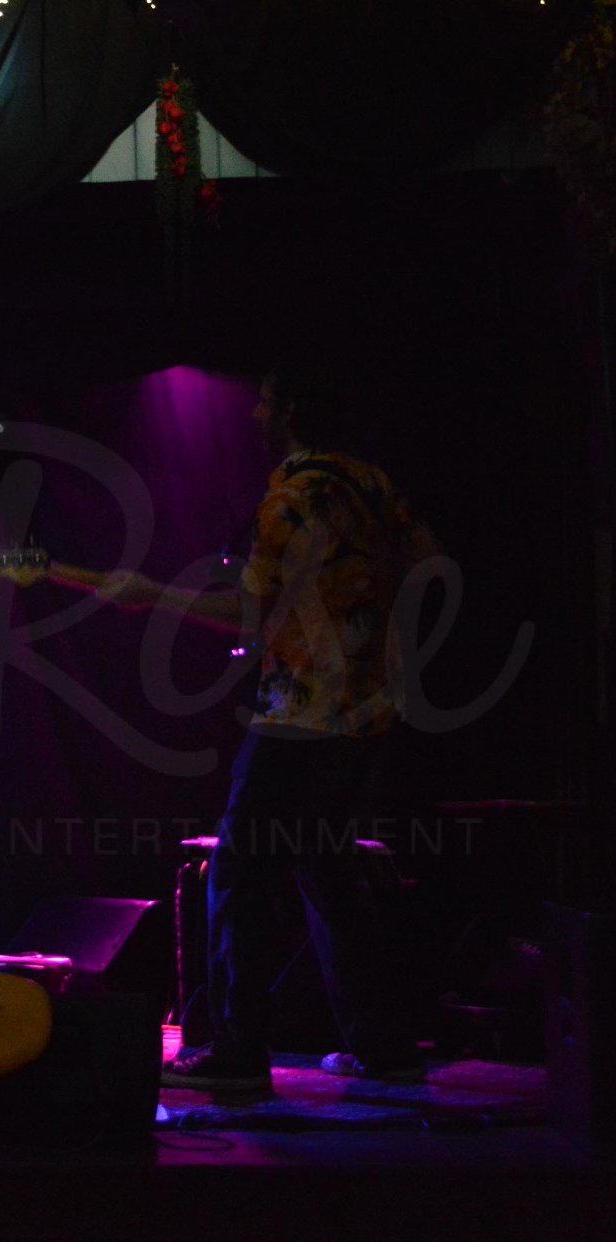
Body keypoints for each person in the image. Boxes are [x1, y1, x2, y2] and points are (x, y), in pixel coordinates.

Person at [69, 367, 436, 1091]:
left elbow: (245, 609)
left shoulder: (292, 493)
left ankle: (237, 1055)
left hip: (300, 713)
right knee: (328, 872)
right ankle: (384, 1045)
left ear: (291, 409)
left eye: (266, 400)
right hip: (369, 709)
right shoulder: (369, 482)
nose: (255, 413)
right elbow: (423, 558)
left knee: (238, 875)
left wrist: (152, 597)